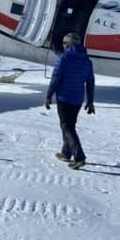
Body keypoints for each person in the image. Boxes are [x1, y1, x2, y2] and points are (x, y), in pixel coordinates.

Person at [44, 32, 95, 169]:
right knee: (68, 125)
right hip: (77, 99)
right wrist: (90, 101)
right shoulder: (87, 60)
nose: (63, 45)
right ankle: (66, 153)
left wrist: (49, 95)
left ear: (70, 44)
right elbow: (90, 82)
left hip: (64, 98)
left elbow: (56, 78)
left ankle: (79, 157)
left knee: (67, 127)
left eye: (65, 43)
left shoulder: (64, 58)